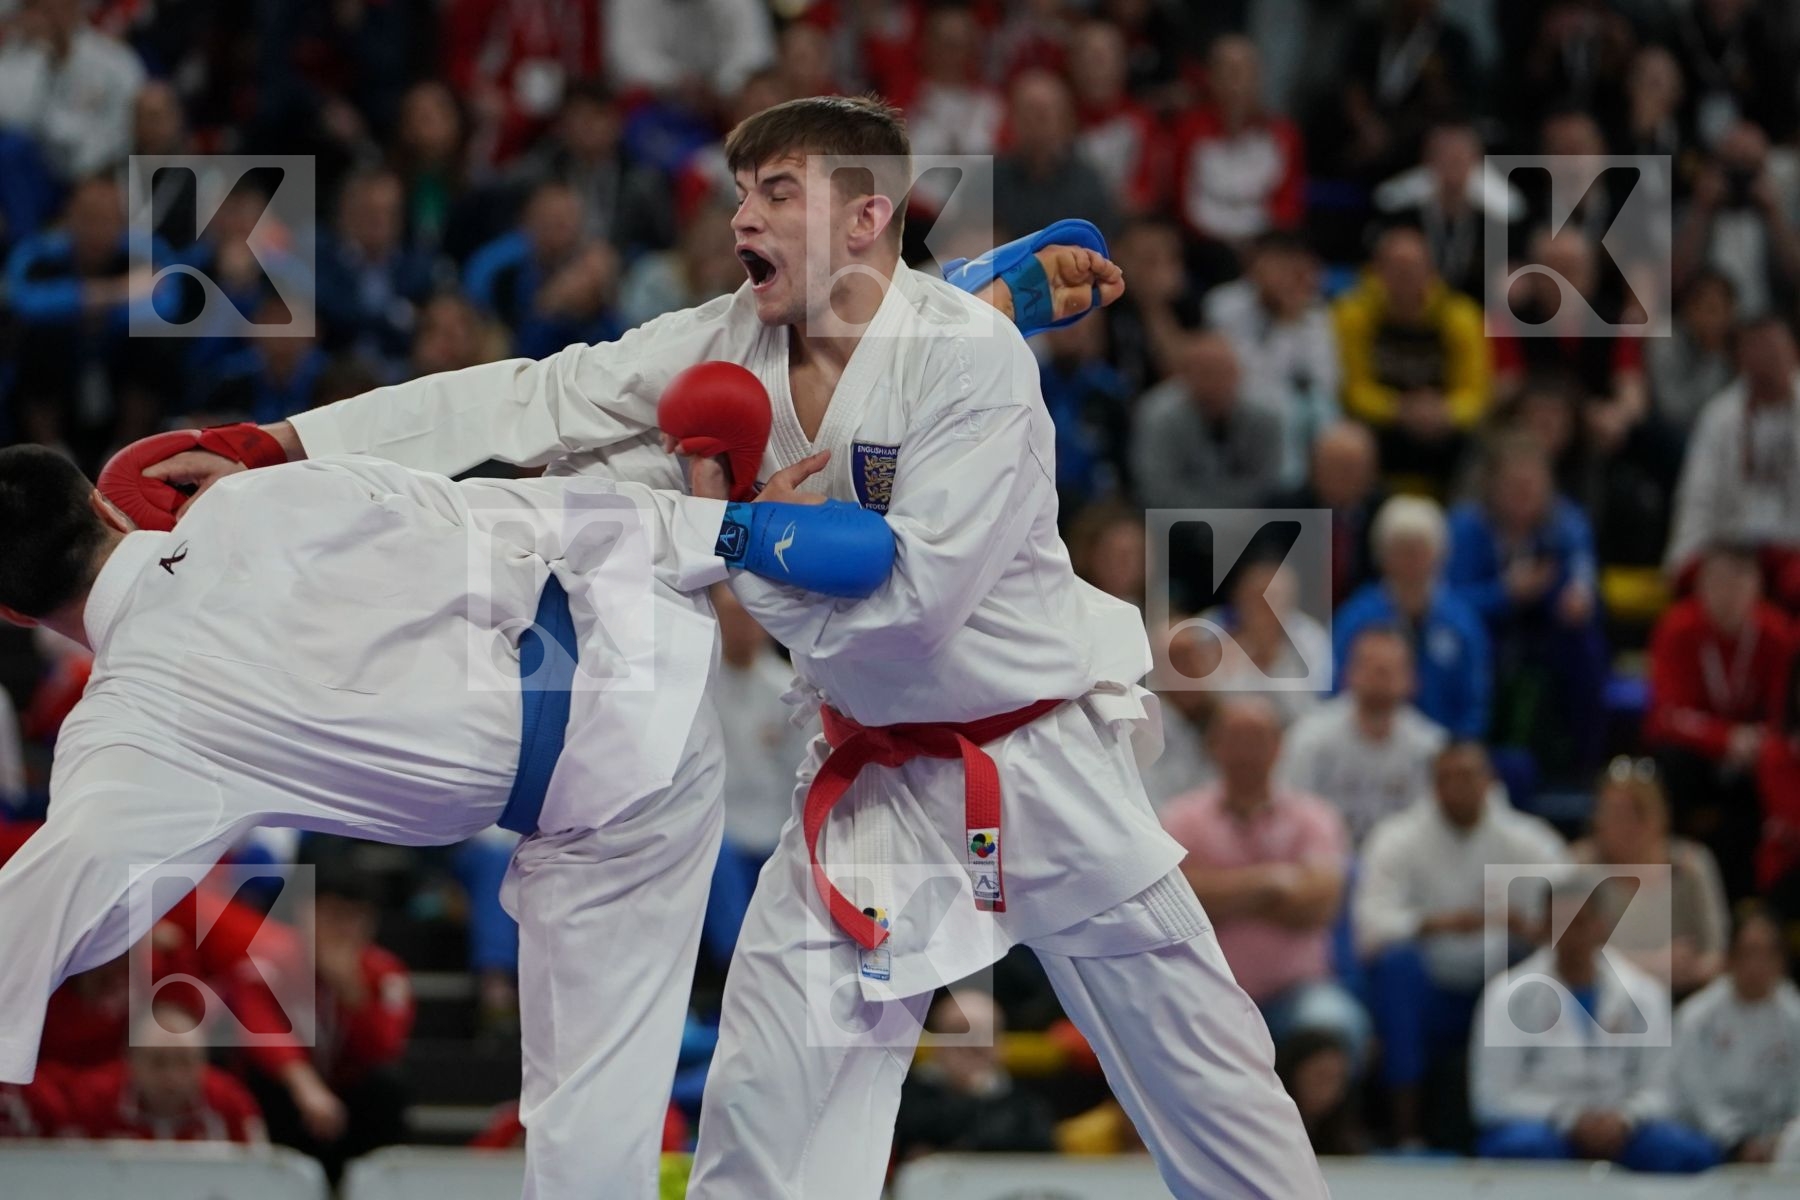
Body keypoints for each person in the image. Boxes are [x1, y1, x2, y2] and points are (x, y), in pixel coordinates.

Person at [134, 97, 1325, 1199]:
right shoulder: (728, 340)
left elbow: (916, 599)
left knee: (1212, 1096)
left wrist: (742, 530)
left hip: (1043, 758)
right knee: (764, 1118)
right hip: (871, 786)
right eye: (739, 190)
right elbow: (531, 398)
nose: (740, 214)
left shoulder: (974, 358)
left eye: (777, 192)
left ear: (867, 216)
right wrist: (280, 447)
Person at [0, 440, 894, 1197]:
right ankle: (727, 527)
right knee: (497, 506)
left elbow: (54, 897)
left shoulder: (129, 732)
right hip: (633, 616)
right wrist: (712, 537)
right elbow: (482, 510)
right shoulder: (251, 503)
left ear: (12, 610)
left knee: (588, 1144)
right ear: (106, 508)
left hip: (613, 806)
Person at [1355, 740, 1566, 1146]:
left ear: (1490, 782)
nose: (1458, 787)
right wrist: (1441, 923)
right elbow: (1371, 926)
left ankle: (1517, 1125)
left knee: (1543, 963)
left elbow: (1571, 911)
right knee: (1396, 966)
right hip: (1429, 985)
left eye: (1468, 776)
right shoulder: (1397, 838)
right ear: (1432, 786)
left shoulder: (1525, 839)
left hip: (1499, 977)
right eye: (1446, 778)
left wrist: (1527, 926)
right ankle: (1407, 1133)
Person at [1470, 870, 1722, 1173]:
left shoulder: (1644, 994)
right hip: (1545, 1127)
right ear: (1542, 928)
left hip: (1624, 1128)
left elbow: (1664, 1090)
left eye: (1579, 923)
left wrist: (1626, 1118)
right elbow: (1491, 1098)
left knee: (1687, 1152)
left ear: (1602, 926)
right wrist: (1569, 1118)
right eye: (1558, 924)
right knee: (1524, 1147)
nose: (1569, 936)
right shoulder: (1505, 995)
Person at [1161, 699, 1368, 1067]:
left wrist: (1216, 893)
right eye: (1235, 739)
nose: (1246, 752)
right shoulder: (1181, 818)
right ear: (1213, 746)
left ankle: (1319, 1127)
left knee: (1335, 1025)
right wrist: (1272, 884)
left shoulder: (1314, 817)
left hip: (1299, 993)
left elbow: (1319, 905)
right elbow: (1174, 905)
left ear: (1278, 747)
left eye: (1257, 739)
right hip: (1203, 994)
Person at [1645, 542, 1793, 900]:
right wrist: (1726, 739)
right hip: (1697, 755)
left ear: (1757, 587)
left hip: (1753, 757)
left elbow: (1786, 714)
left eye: (1739, 583)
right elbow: (1664, 717)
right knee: (1668, 765)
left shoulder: (1778, 634)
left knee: (1774, 774)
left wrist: (1757, 742)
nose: (1728, 594)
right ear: (1701, 586)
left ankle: (1755, 899)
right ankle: (1659, 884)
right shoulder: (1677, 628)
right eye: (1719, 582)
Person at [1333, 224, 1490, 493]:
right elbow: (1353, 389)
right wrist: (1399, 409)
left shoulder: (1461, 317)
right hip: (1381, 424)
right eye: (1396, 268)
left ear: (1431, 271)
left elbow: (1477, 394)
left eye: (1413, 268)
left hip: (1445, 428)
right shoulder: (1351, 314)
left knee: (1482, 440)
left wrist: (1445, 412)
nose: (1405, 277)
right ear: (1377, 271)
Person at [1334, 495, 1491, 740]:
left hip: (1445, 749)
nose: (1411, 562)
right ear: (1382, 555)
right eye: (1401, 551)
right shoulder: (1357, 616)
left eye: (1419, 550)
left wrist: (1458, 747)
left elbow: (1475, 699)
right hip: (1364, 741)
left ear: (1439, 553)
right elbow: (1339, 687)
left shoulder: (1461, 620)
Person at [1570, 764, 1730, 1000]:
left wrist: (1694, 971)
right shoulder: (1578, 867)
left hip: (1683, 996)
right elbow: (1574, 954)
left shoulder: (1690, 864)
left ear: (1657, 817)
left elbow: (1716, 951)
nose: (1621, 826)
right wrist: (1654, 966)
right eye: (1610, 814)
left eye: (1633, 814)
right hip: (1605, 999)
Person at [1280, 625, 1447, 847]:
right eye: (1371, 667)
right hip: (1323, 864)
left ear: (1412, 680)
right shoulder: (1310, 738)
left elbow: (1434, 829)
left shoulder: (1432, 747)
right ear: (1348, 674)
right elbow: (1289, 813)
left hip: (1402, 869)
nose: (1380, 677)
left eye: (1390, 670)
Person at [1669, 906, 1800, 1163]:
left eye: (1767, 954)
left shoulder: (1794, 1015)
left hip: (1778, 1139)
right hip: (1712, 1137)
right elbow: (1694, 1090)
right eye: (1749, 953)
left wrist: (1782, 1139)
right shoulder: (1697, 1016)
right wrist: (1735, 1140)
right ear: (1730, 959)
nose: (1757, 965)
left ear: (1781, 961)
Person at [892, 990, 1057, 1162]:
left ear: (1001, 1045)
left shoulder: (1028, 1108)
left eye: (983, 1034)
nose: (970, 1044)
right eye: (958, 1031)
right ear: (937, 1042)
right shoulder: (901, 1098)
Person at [68, 1005, 266, 1143]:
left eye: (184, 1061)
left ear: (203, 1061)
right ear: (131, 1060)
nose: (172, 1076)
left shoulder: (230, 1103)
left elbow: (259, 1175)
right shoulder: (93, 1099)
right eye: (158, 1061)